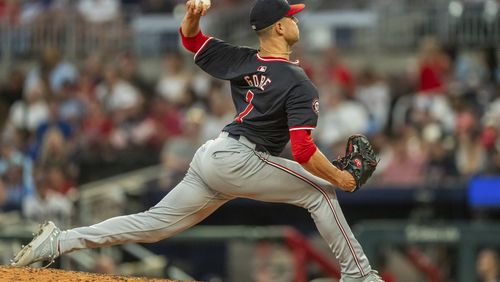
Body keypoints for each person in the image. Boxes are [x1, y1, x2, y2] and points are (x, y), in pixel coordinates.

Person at [11, 1, 382, 281]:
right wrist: (341, 178)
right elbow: (302, 151)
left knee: (153, 225)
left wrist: (192, 15)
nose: (297, 19)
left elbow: (192, 40)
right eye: (292, 16)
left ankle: (59, 242)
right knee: (320, 192)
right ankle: (361, 275)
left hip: (213, 155)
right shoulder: (299, 83)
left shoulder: (244, 59)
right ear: (279, 27)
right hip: (240, 158)